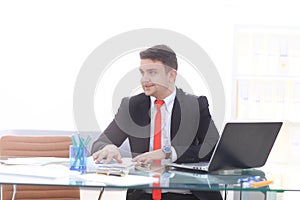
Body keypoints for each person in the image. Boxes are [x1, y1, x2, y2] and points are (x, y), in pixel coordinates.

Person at [91, 44, 222, 200]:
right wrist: (108, 147)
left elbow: (214, 148)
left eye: (152, 73)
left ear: (171, 75)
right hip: (144, 195)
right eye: (142, 73)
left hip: (187, 194)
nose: (144, 79)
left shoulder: (195, 105)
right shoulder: (131, 106)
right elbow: (99, 144)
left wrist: (168, 152)